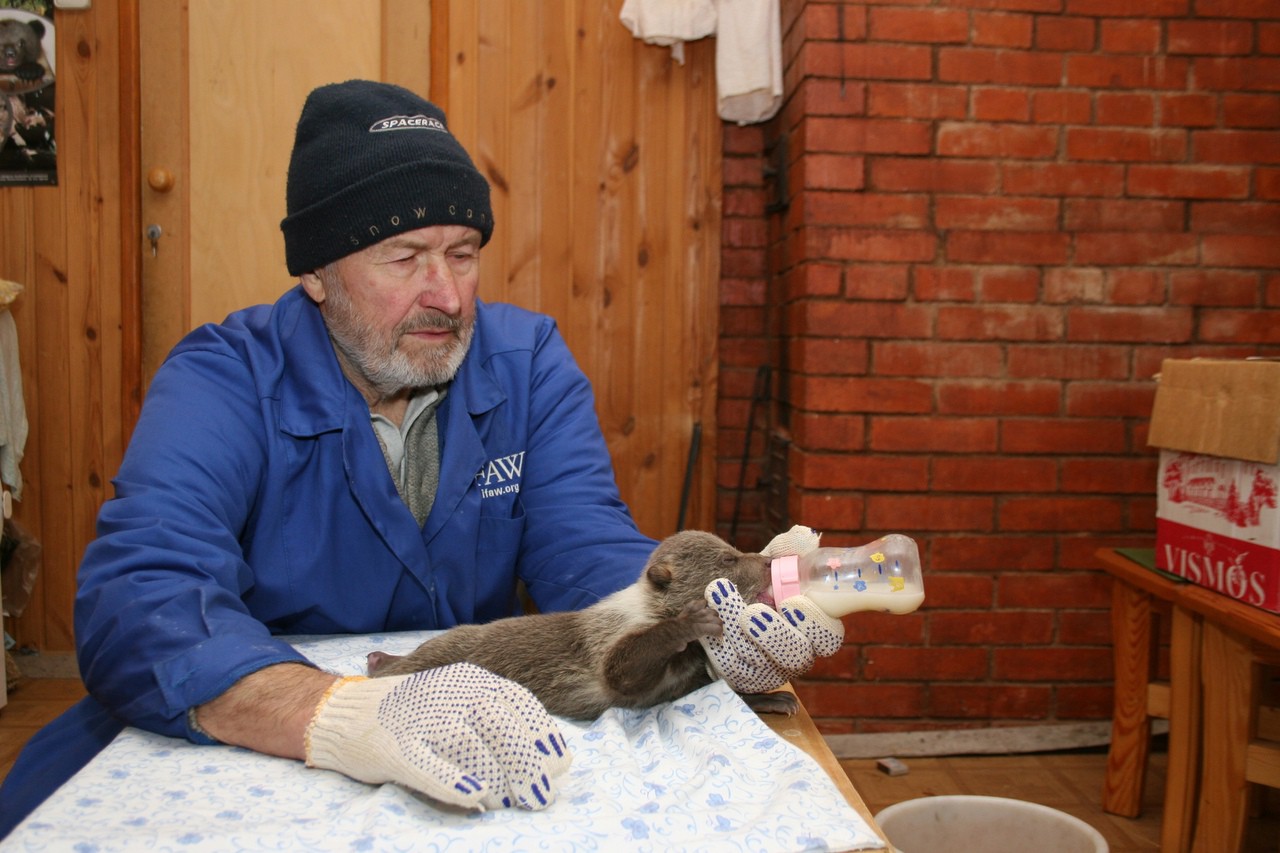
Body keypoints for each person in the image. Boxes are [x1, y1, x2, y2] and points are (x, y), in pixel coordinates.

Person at [0, 80, 842, 837]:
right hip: (259, 731)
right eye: (404, 258)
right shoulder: (222, 377)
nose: (446, 293)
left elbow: (584, 547)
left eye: (464, 252)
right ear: (318, 275)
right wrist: (333, 712)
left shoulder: (529, 361)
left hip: (471, 733)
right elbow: (140, 593)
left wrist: (701, 615)